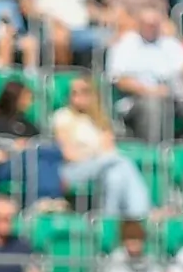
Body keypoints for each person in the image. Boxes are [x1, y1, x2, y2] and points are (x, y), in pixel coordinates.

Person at [52, 76, 153, 217]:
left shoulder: (99, 119)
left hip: (102, 166)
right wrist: (93, 155)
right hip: (73, 169)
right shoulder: (63, 116)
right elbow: (68, 153)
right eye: (74, 92)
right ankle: (141, 214)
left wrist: (93, 154)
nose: (79, 96)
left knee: (115, 176)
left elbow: (109, 148)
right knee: (121, 161)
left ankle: (108, 219)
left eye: (84, 91)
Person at [107, 5, 183, 143]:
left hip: (174, 99)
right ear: (138, 24)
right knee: (153, 104)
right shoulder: (125, 44)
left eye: (155, 24)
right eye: (147, 24)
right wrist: (150, 91)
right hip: (135, 101)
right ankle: (154, 156)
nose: (151, 27)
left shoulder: (170, 43)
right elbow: (119, 80)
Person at [101, 218, 169, 272]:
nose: (134, 242)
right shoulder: (114, 267)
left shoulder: (155, 269)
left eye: (137, 238)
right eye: (130, 238)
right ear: (124, 241)